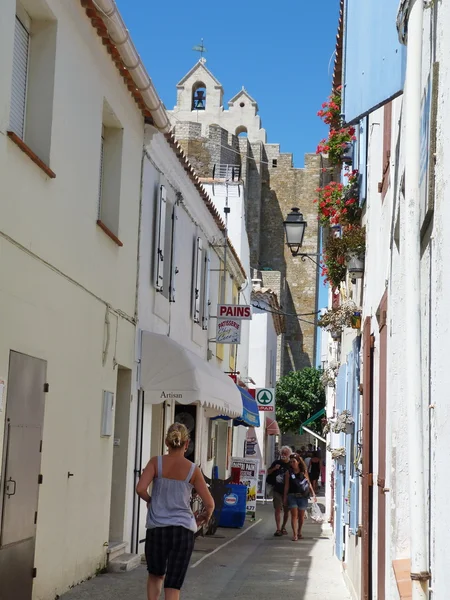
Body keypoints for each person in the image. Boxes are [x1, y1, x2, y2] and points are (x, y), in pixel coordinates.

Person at [136, 423, 214, 600]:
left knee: (156, 574)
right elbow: (210, 503)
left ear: (166, 441)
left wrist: (151, 501)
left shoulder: (156, 462)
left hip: (157, 528)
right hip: (183, 530)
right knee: (173, 584)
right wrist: (204, 517)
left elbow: (140, 488)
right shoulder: (193, 470)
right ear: (187, 444)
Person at [284, 454, 316, 541]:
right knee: (294, 515)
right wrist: (285, 497)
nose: (292, 464)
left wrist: (313, 494)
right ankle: (295, 534)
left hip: (303, 496)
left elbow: (308, 483)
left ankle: (299, 531)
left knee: (301, 516)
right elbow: (286, 486)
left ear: (298, 462)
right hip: (292, 495)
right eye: (291, 462)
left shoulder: (303, 471)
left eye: (294, 461)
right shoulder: (288, 473)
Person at [266, 446, 291, 536]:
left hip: (288, 492)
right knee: (277, 509)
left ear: (289, 455)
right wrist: (274, 469)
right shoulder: (276, 462)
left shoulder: (290, 464)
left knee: (286, 510)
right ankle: (278, 528)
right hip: (277, 489)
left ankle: (283, 527)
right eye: (282, 453)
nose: (283, 455)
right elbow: (268, 472)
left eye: (285, 453)